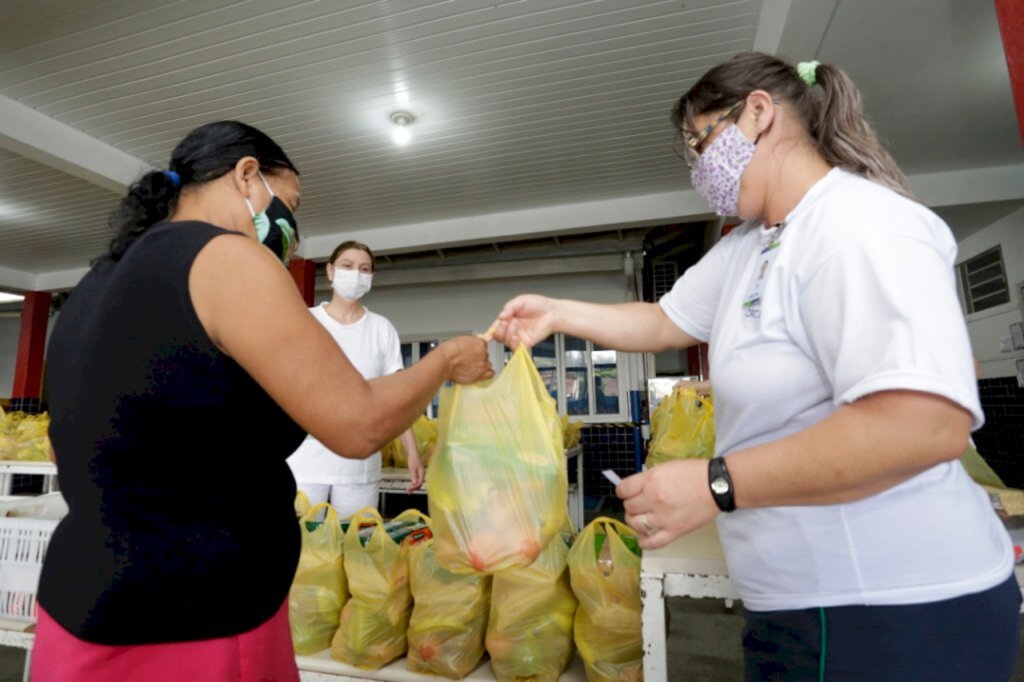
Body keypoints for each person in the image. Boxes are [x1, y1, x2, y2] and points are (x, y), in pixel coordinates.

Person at [492, 53, 1019, 680]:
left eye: (700, 142)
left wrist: (715, 484)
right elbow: (664, 321)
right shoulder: (754, 242)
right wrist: (557, 313)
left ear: (759, 114)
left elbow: (923, 425)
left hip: (888, 609)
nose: (697, 170)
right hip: (798, 604)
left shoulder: (860, 225)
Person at [34, 120, 492, 682]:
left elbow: (66, 447)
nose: (291, 229)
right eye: (290, 206)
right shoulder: (226, 258)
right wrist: (445, 361)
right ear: (247, 176)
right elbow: (358, 423)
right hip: (196, 618)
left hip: (81, 604)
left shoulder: (92, 285)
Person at [287, 240, 425, 517]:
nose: (356, 274)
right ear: (330, 271)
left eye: (364, 269)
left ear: (371, 278)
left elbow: (395, 398)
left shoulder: (381, 329)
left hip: (360, 464)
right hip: (305, 464)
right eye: (347, 266)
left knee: (358, 548)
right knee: (303, 550)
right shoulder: (305, 321)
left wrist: (412, 452)